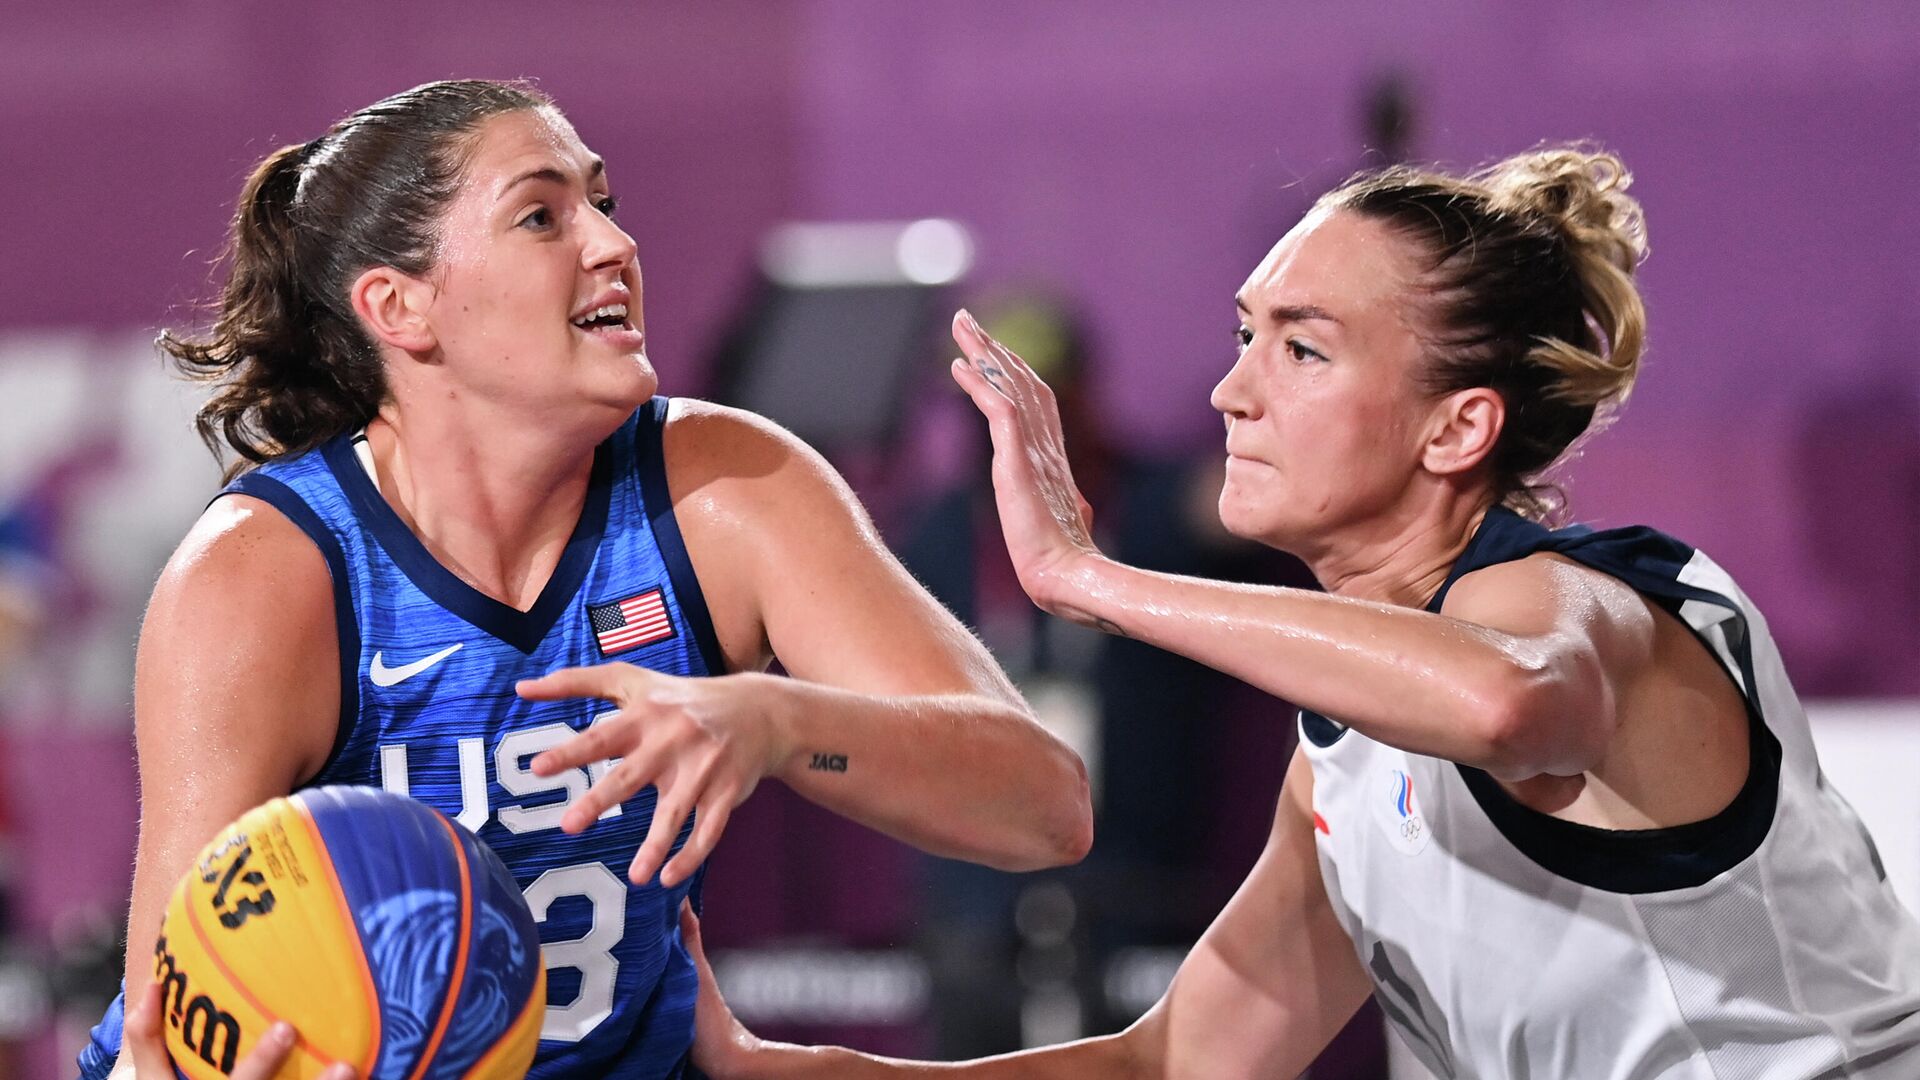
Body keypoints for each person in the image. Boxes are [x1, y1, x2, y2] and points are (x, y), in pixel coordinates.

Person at [685, 147, 1920, 1077]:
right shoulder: (1342, 764)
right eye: (1243, 335)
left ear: (1459, 426)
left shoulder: (1587, 604)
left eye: (1303, 350)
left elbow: (1506, 698)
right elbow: (1173, 1062)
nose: (1231, 391)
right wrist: (794, 1070)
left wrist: (1090, 579)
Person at [80, 79, 1093, 1079]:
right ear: (401, 306)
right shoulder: (267, 571)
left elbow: (1042, 807)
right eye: (541, 216)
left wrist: (775, 722)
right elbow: (164, 1032)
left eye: (602, 204)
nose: (614, 246)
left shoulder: (725, 487)